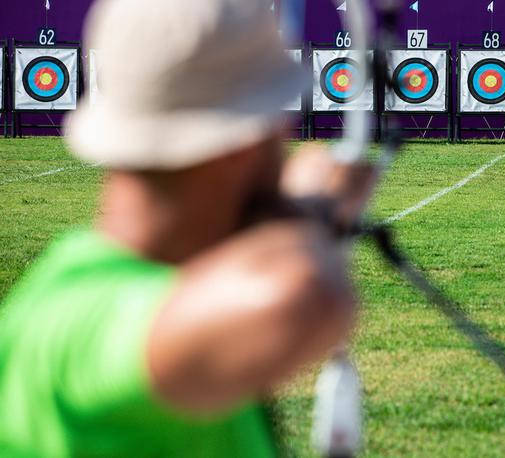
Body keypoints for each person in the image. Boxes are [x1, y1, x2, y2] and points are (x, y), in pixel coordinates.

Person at [0, 0, 376, 456]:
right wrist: (313, 207)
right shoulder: (80, 323)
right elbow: (304, 297)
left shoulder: (90, 283)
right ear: (247, 139)